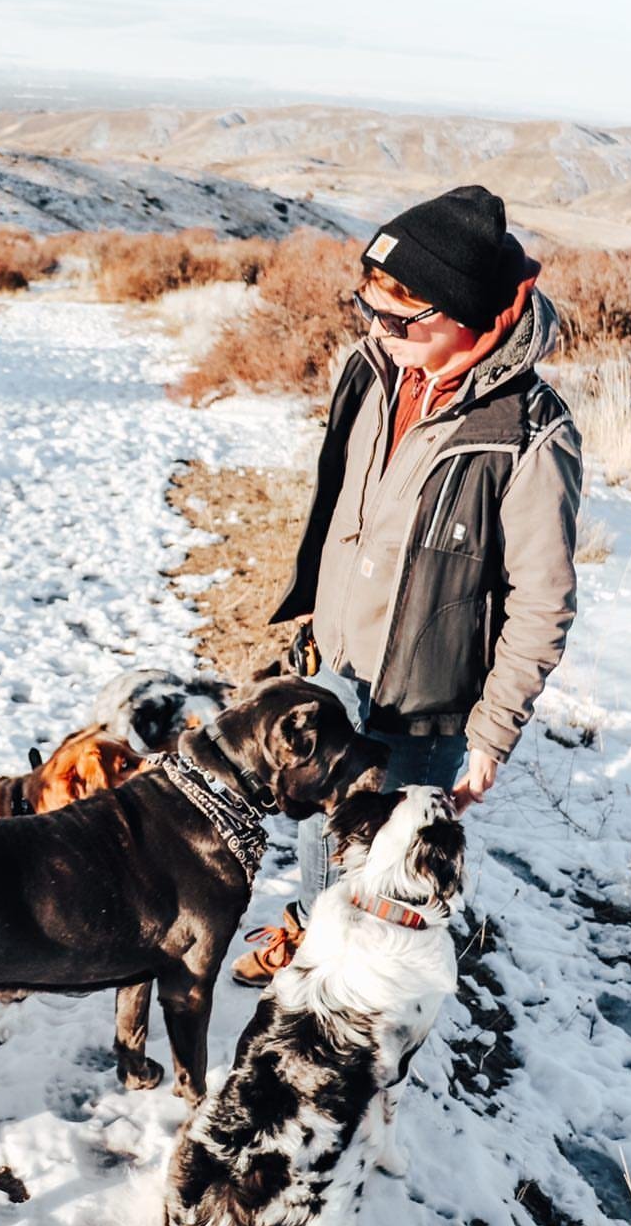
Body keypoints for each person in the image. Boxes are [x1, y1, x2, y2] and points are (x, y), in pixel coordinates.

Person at [233, 183, 582, 985]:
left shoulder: (527, 434)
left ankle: (342, 999)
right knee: (320, 834)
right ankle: (313, 933)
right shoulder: (371, 370)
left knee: (383, 865)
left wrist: (492, 734)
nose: (376, 331)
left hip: (425, 707)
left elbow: (544, 600)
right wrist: (316, 620)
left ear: (466, 314)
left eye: (400, 319)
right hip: (336, 669)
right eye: (368, 308)